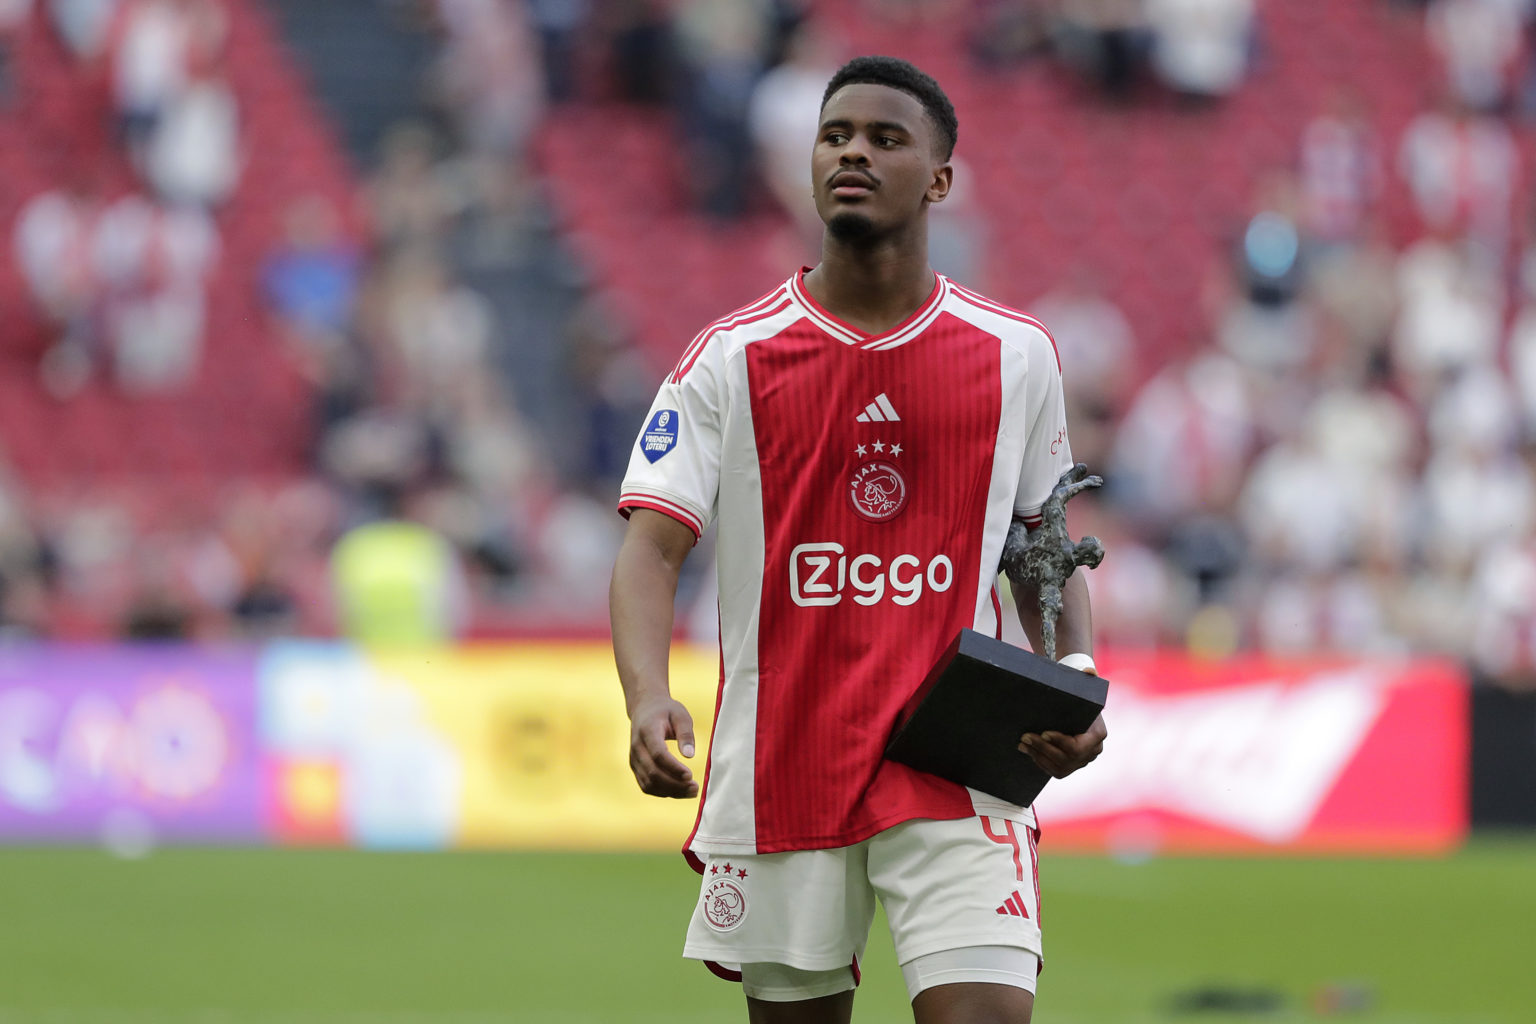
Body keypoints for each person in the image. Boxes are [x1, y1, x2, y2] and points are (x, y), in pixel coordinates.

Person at [609, 56, 1107, 1024]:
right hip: (787, 761)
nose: (853, 152)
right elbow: (649, 547)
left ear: (939, 179)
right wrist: (644, 695)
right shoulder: (732, 356)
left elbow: (1043, 541)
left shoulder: (1015, 353)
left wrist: (1077, 673)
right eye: (836, 136)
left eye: (885, 139)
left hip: (957, 760)